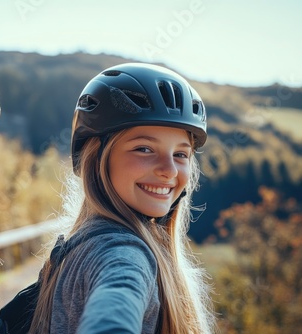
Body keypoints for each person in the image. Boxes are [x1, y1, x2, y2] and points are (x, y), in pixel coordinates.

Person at [29, 63, 216, 333]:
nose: (169, 170)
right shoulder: (122, 252)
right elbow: (116, 301)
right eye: (144, 148)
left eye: (181, 154)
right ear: (97, 159)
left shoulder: (82, 244)